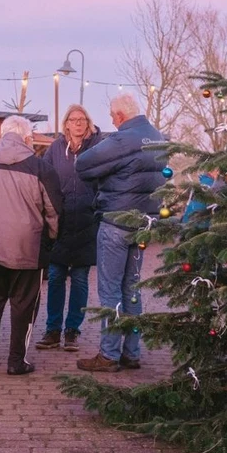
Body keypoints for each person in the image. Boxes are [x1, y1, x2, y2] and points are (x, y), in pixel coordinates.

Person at [75, 93, 167, 373]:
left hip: (116, 219)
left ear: (120, 115)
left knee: (110, 289)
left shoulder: (120, 139)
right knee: (133, 289)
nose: (112, 122)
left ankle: (109, 354)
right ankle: (132, 352)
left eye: (113, 117)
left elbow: (83, 164)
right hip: (144, 221)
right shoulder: (158, 136)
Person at [0, 116, 62, 375]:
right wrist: (50, 239)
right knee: (23, 308)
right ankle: (16, 361)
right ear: (27, 138)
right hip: (28, 250)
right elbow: (54, 212)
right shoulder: (41, 168)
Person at [36, 104, 103, 353]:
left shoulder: (96, 147)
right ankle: (52, 329)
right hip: (60, 223)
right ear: (65, 124)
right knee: (55, 277)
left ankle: (72, 330)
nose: (78, 123)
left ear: (87, 122)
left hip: (87, 222)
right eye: (73, 119)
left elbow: (104, 179)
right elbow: (43, 178)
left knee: (79, 279)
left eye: (82, 119)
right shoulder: (55, 149)